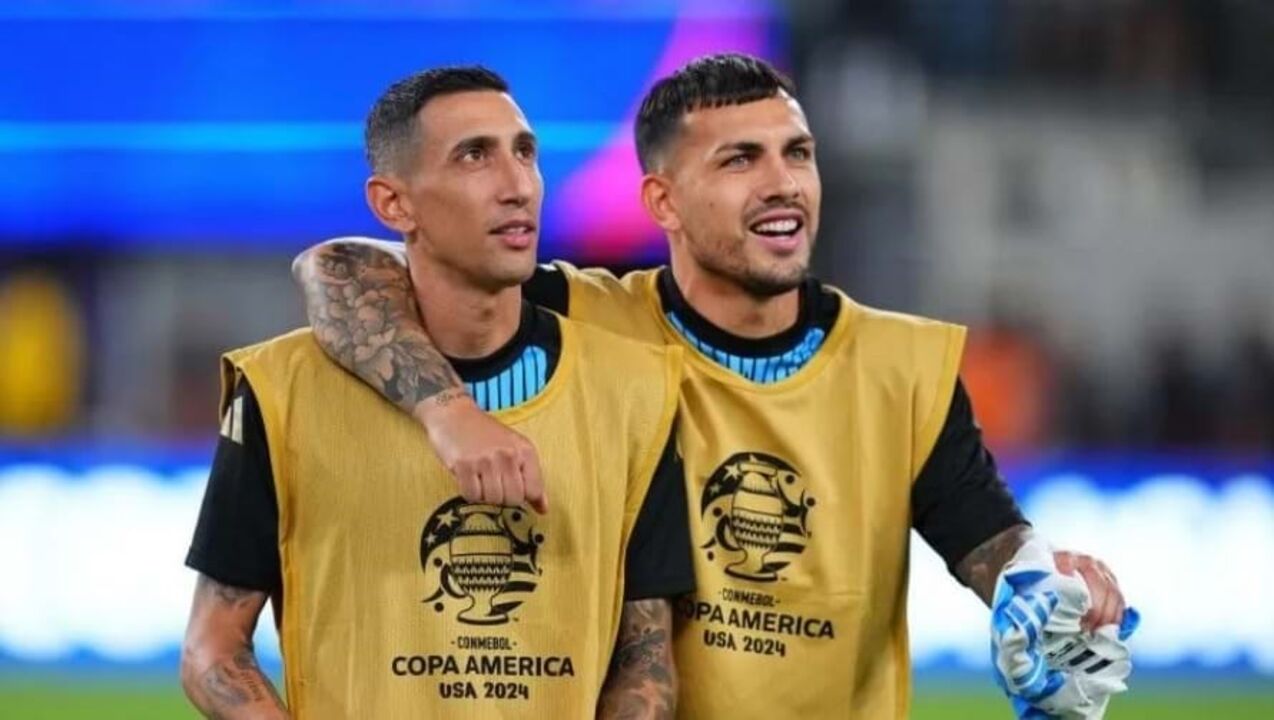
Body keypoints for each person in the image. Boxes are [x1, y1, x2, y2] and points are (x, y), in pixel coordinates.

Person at [292, 54, 1133, 718]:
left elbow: (988, 537)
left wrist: (1044, 591)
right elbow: (338, 267)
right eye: (740, 160)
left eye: (797, 154)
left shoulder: (901, 367)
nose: (783, 184)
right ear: (663, 200)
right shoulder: (581, 316)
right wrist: (447, 413)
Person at [180, 66, 693, 719]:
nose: (517, 185)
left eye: (525, 153)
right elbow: (213, 650)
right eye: (474, 156)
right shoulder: (282, 390)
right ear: (394, 205)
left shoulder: (637, 392)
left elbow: (645, 660)